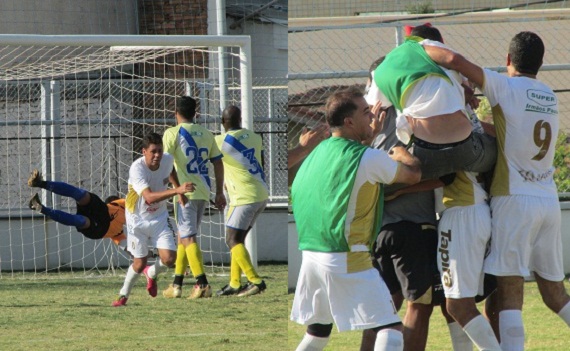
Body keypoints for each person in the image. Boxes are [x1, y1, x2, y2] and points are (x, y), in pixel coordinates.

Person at [424, 31, 570, 349]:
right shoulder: (548, 94)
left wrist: (420, 46)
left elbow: (455, 60)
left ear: (507, 61)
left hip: (514, 201)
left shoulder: (505, 85)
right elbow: (512, 132)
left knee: (510, 294)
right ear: (541, 64)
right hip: (548, 199)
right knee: (555, 295)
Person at [290, 87, 422, 351]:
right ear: (349, 122)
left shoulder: (317, 152)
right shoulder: (369, 158)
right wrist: (401, 151)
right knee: (391, 328)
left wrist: (369, 139)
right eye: (366, 112)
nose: (372, 116)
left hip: (311, 255)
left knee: (317, 333)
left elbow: (353, 166)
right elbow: (413, 175)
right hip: (346, 255)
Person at [360, 51, 448, 351]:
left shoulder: (365, 128)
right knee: (419, 305)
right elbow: (428, 173)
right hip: (411, 228)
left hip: (379, 231)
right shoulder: (407, 119)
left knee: (383, 308)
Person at [366, 25, 496, 180]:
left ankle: (404, 169)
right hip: (465, 147)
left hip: (425, 152)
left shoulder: (382, 69)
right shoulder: (431, 47)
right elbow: (455, 64)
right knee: (496, 154)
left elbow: (371, 109)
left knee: (407, 176)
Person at [112, 132, 195, 307]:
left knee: (169, 258)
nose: (157, 155)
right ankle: (123, 295)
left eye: (160, 150)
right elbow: (149, 197)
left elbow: (170, 168)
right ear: (144, 151)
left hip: (159, 217)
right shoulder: (137, 169)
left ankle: (152, 273)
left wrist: (175, 185)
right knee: (139, 262)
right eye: (153, 151)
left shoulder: (166, 159)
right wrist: (177, 190)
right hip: (137, 220)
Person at [161, 96, 226, 299]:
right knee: (183, 238)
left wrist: (176, 188)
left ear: (176, 114)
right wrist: (219, 192)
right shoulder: (207, 134)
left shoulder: (172, 133)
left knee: (187, 237)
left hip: (185, 193)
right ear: (195, 113)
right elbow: (217, 162)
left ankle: (202, 283)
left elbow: (166, 164)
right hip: (203, 191)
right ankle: (176, 285)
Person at [214, 105, 268, 297]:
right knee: (238, 240)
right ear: (241, 119)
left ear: (222, 123)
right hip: (260, 193)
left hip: (243, 197)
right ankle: (235, 283)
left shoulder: (220, 141)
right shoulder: (255, 137)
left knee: (231, 239)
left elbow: (211, 159)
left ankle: (255, 281)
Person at [27, 170, 127, 247]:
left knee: (80, 220)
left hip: (99, 229)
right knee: (80, 194)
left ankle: (41, 207)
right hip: (101, 209)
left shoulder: (118, 233)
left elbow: (129, 249)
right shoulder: (119, 205)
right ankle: (40, 185)